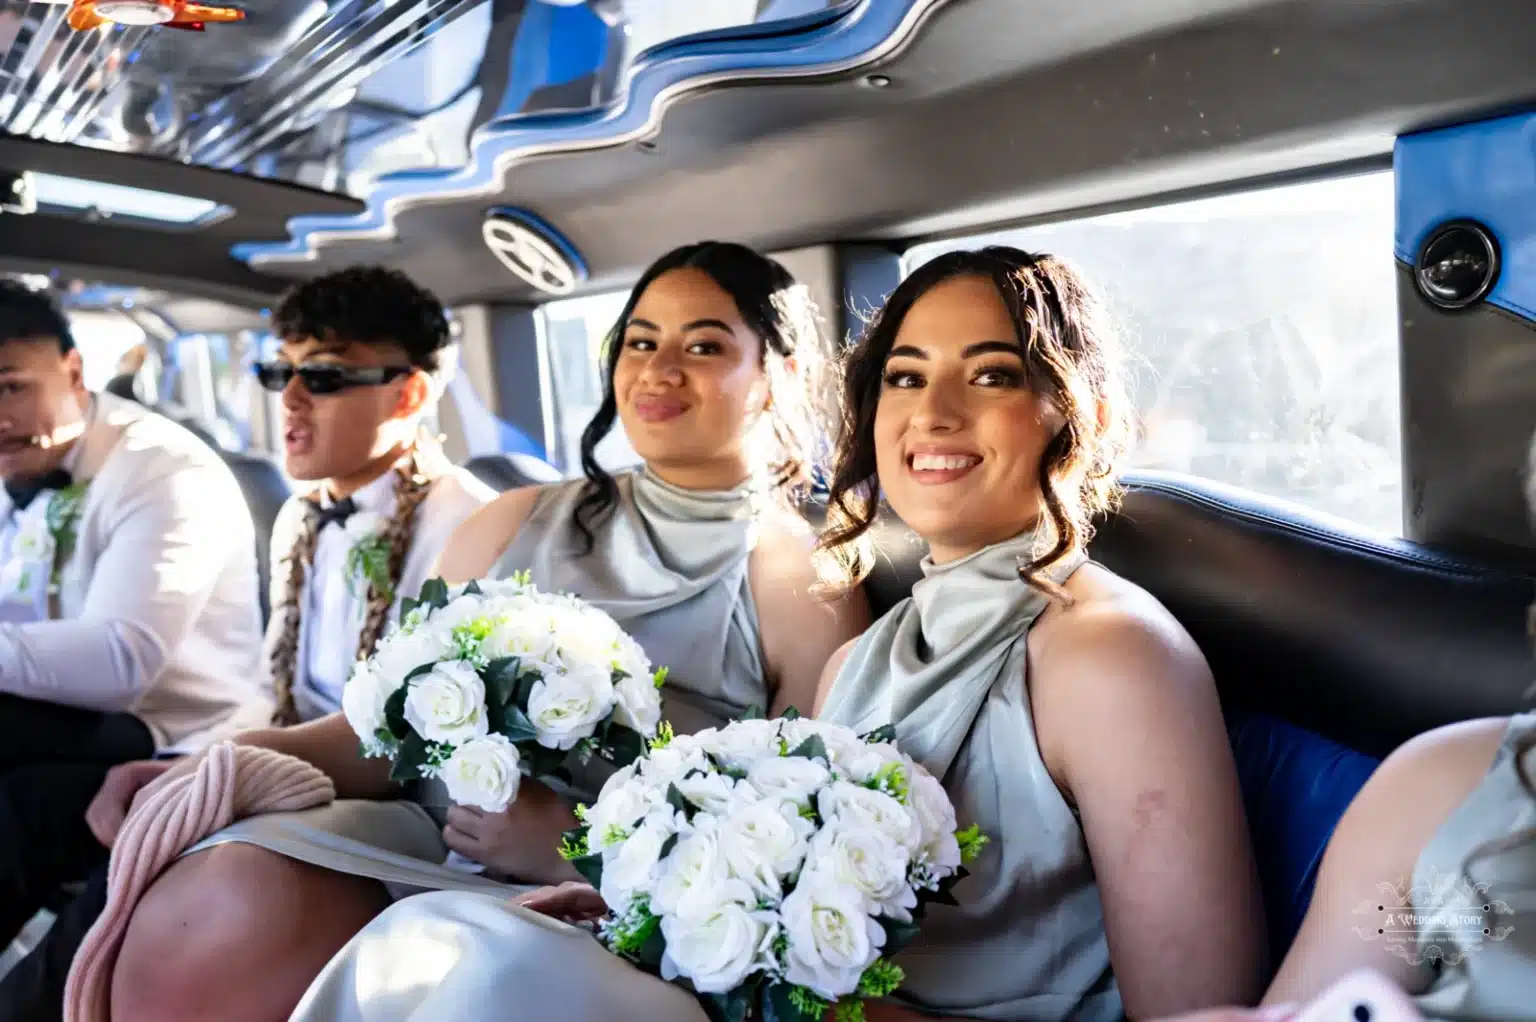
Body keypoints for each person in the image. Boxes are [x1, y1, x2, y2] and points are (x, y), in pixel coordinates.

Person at [281, 246, 1266, 1022]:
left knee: (475, 975)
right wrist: (651, 912)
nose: (935, 412)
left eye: (993, 374)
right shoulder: (859, 659)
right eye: (905, 377)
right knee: (444, 943)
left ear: (1078, 412)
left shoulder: (1110, 653)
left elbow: (1199, 1014)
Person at [101, 242, 870, 1022]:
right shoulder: (513, 520)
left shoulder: (800, 579)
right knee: (217, 893)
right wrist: (209, 766)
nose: (659, 370)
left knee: (476, 970)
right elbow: (387, 733)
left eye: (704, 346)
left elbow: (788, 837)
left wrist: (578, 842)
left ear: (779, 376)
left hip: (625, 893)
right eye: (641, 341)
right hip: (431, 832)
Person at [0, 266, 497, 1022]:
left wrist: (221, 773)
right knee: (50, 805)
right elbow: (276, 687)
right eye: (279, 372)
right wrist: (199, 763)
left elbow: (422, 737)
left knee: (157, 841)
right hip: (278, 751)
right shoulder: (302, 517)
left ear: (410, 394)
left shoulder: (473, 526)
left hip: (401, 795)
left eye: (323, 377)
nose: (290, 401)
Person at [0, 280, 265, 958]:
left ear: (75, 371)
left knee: (21, 808)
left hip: (176, 726)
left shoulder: (161, 472)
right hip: (74, 716)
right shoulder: (25, 463)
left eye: (11, 388)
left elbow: (120, 660)